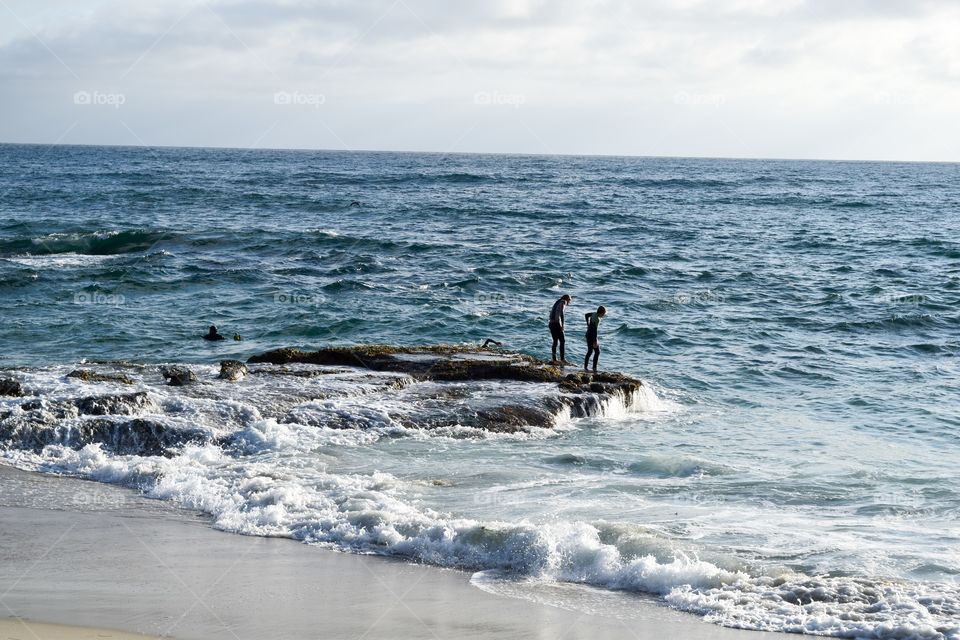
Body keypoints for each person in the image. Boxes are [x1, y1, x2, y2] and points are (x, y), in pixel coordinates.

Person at [549, 294, 572, 364]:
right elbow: (561, 314)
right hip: (556, 324)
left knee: (555, 341)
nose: (569, 302)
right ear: (567, 299)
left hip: (551, 323)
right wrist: (562, 325)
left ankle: (554, 359)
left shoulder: (557, 301)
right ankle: (562, 359)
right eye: (569, 300)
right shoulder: (563, 302)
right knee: (562, 340)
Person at [583, 306, 607, 372]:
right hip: (591, 335)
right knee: (597, 351)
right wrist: (595, 341)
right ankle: (594, 368)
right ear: (601, 313)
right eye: (604, 313)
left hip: (588, 334)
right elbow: (594, 330)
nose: (604, 315)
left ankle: (585, 367)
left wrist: (587, 323)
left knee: (590, 351)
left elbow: (586, 315)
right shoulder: (597, 319)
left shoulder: (593, 314)